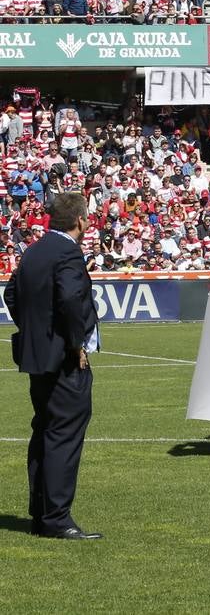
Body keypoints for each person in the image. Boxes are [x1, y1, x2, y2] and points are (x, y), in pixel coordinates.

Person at [3, 192, 102, 539]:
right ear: (80, 221)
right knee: (63, 434)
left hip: (38, 357)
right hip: (63, 360)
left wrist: (35, 332)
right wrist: (76, 344)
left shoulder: (35, 249)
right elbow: (73, 300)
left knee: (45, 430)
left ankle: (41, 514)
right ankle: (57, 518)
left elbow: (11, 293)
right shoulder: (67, 253)